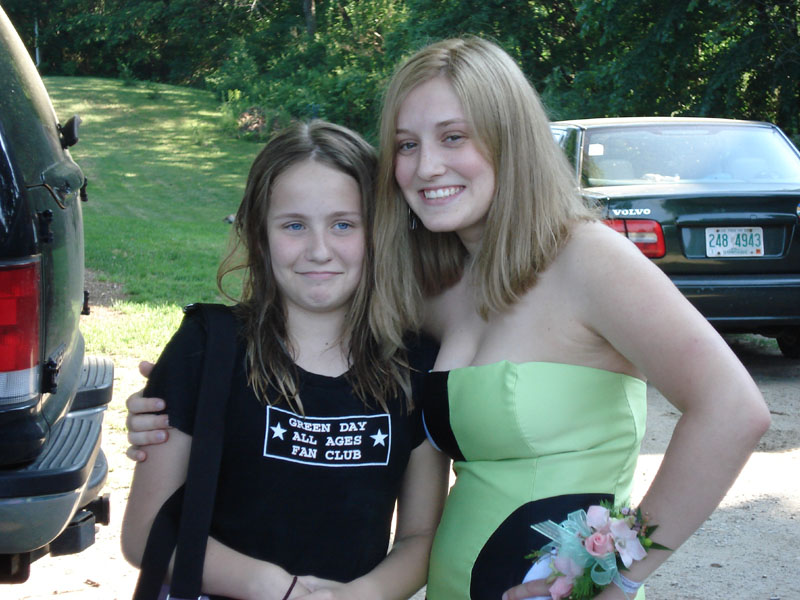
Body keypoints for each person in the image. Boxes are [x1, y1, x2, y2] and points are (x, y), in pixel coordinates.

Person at [128, 38, 771, 600]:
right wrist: (184, 394)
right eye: (407, 145)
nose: (426, 166)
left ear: (509, 138)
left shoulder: (587, 259)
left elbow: (734, 411)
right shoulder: (435, 287)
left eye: (453, 137)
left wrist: (615, 571)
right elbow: (311, 350)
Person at [120, 120, 449, 600]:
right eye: (294, 225)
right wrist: (275, 588)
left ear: (378, 232)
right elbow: (144, 533)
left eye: (343, 224)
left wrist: (359, 595)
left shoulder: (415, 365)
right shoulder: (208, 346)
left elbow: (420, 536)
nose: (319, 250)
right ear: (260, 235)